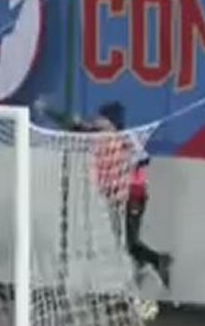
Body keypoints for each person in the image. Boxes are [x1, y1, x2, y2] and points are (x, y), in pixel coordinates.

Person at [39, 100, 173, 290]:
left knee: (130, 241)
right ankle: (143, 265)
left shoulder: (124, 139)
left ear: (111, 122)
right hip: (115, 197)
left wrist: (130, 160)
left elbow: (143, 159)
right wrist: (48, 110)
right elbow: (73, 127)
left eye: (101, 118)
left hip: (132, 194)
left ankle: (158, 260)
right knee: (124, 240)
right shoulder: (97, 137)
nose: (96, 120)